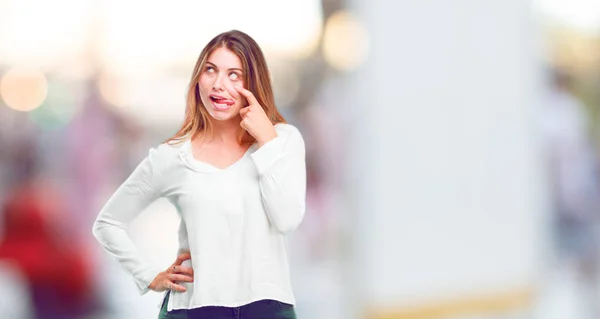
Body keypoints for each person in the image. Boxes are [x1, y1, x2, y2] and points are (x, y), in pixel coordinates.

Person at [92, 30, 306, 319]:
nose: (219, 84)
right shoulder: (173, 156)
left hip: (268, 308)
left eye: (235, 75)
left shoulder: (283, 140)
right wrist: (148, 276)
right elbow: (108, 223)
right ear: (198, 80)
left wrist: (267, 141)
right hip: (195, 309)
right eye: (211, 70)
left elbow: (287, 219)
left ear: (253, 83)